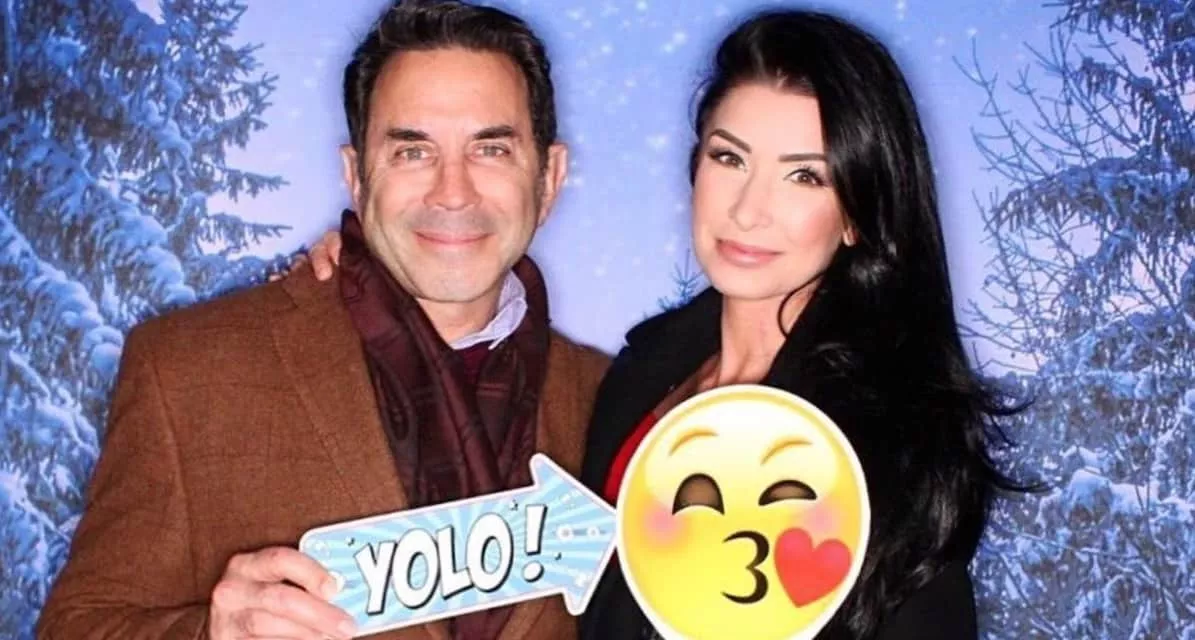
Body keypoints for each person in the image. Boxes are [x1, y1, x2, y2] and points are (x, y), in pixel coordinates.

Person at [301, 7, 1033, 640]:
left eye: (804, 175)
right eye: (729, 158)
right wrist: (360, 275)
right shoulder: (630, 382)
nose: (748, 209)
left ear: (857, 213)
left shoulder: (885, 438)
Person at [36, 2, 609, 639]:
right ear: (356, 177)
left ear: (549, 177)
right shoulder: (185, 372)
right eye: (412, 151)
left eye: (491, 149)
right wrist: (210, 635)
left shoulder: (616, 401)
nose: (453, 192)